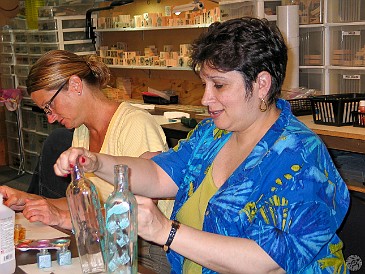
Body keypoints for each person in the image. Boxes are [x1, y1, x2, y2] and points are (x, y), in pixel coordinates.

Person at [54, 17, 350, 273]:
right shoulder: (213, 134)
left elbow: (271, 261)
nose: (206, 98)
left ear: (262, 84)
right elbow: (158, 176)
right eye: (205, 84)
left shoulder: (299, 156)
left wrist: (166, 232)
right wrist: (94, 162)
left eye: (219, 85)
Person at [0, 49, 171, 273]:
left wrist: (63, 218)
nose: (50, 118)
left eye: (49, 107)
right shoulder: (82, 131)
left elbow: (137, 213)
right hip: (105, 242)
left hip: (146, 250)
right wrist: (29, 200)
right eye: (45, 111)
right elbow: (82, 205)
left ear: (75, 85)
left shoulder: (135, 125)